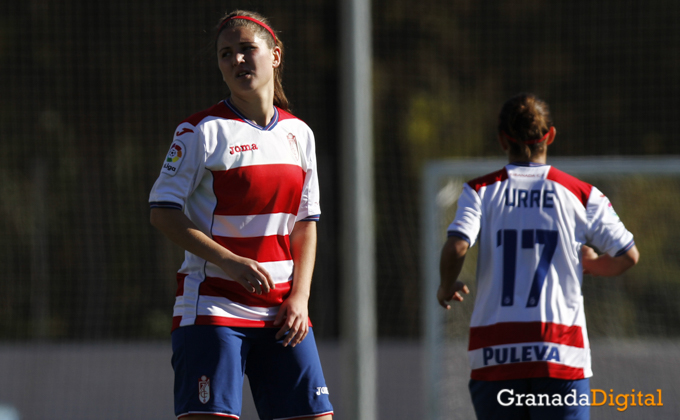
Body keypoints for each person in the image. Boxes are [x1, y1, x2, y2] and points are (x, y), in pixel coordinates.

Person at [149, 10, 333, 420]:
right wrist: (229, 261)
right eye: (226, 54)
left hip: (284, 315)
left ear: (276, 56)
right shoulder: (200, 131)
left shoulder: (299, 134)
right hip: (213, 310)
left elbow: (306, 223)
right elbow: (162, 212)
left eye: (247, 49)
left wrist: (300, 298)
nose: (237, 61)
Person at [437, 93, 639, 420]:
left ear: (504, 139)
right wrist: (591, 264)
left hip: (495, 353)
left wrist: (445, 286)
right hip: (561, 352)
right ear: (551, 136)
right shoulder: (580, 193)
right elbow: (628, 255)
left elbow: (457, 246)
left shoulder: (480, 191)